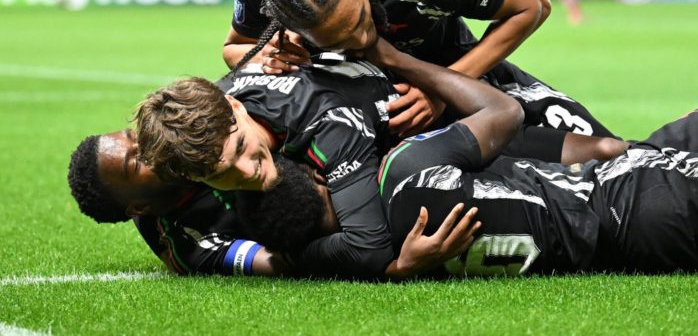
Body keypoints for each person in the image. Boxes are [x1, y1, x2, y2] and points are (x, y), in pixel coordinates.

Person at [242, 38, 698, 277]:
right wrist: (391, 57)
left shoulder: (383, 260)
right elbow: (503, 113)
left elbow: (303, 260)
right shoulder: (401, 170)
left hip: (619, 239)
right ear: (314, 176)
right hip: (633, 197)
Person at [225, 0, 616, 141]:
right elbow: (236, 49)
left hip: (448, 66)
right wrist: (271, 56)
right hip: (351, 94)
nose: (363, 41)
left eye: (361, 20)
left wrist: (443, 89)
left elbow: (533, 5)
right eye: (339, 38)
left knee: (604, 151)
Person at [67, 128, 475, 278]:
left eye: (134, 137)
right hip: (369, 210)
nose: (148, 146)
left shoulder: (182, 134)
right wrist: (391, 268)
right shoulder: (186, 242)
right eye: (135, 160)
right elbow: (279, 263)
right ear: (135, 207)